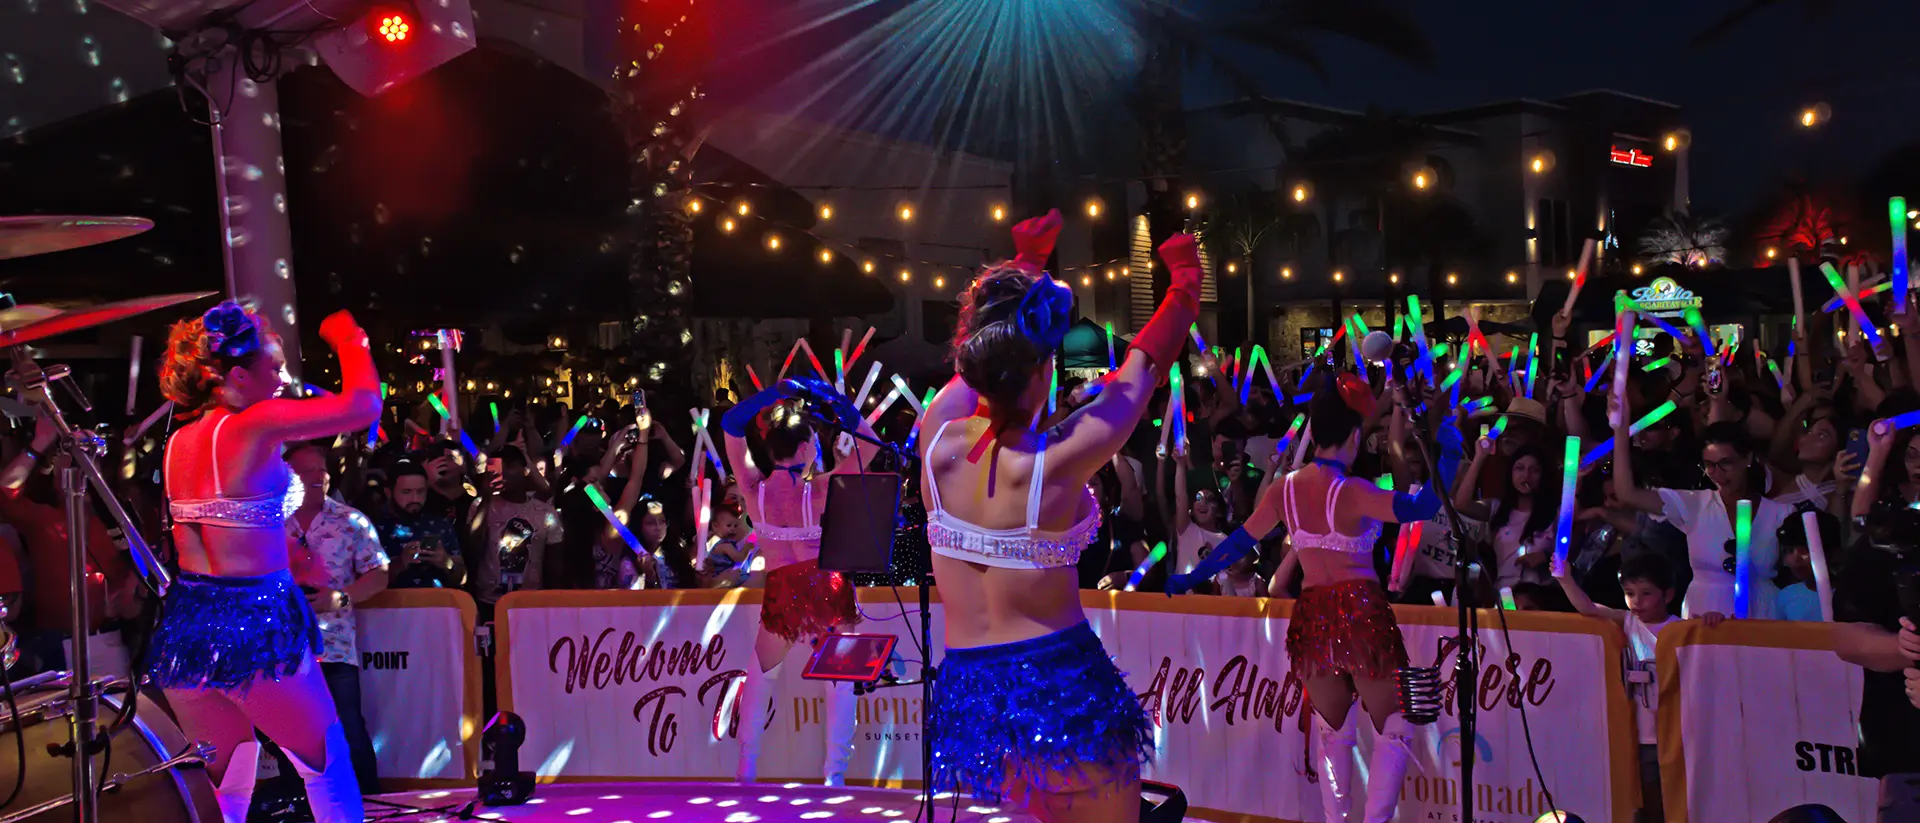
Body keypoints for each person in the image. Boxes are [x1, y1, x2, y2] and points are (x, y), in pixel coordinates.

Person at [917, 210, 1191, 822]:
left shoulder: (934, 439)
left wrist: (1026, 268)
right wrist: (1185, 283)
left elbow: (976, 365)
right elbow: (1141, 372)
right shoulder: (1058, 460)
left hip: (977, 702)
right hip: (1059, 689)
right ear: (1043, 369)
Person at [1172, 379, 1462, 823]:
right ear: (1352, 437)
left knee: (1333, 735)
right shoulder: (1353, 490)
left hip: (1313, 619)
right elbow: (1421, 508)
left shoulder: (1283, 490)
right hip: (1361, 612)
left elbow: (1237, 543)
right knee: (1395, 727)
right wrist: (1451, 453)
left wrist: (1194, 575)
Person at [150, 302, 380, 823]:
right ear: (237, 374)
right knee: (327, 766)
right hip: (253, 623)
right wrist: (350, 340)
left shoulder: (178, 443)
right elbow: (365, 406)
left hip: (188, 627)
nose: (281, 379)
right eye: (272, 368)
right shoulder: (255, 425)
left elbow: (233, 523)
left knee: (226, 789)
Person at [721, 375, 882, 787]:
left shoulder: (753, 488)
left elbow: (730, 424)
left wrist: (776, 392)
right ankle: (835, 778)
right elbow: (869, 442)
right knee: (840, 685)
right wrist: (831, 398)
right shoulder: (824, 488)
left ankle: (746, 773)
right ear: (809, 448)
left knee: (760, 678)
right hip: (825, 586)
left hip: (783, 589)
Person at [1552, 552, 1722, 823]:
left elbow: (1716, 652)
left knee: (1677, 803)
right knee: (1646, 803)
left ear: (1667, 595)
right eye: (1630, 593)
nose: (1637, 602)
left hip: (1678, 735)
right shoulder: (1628, 622)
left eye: (1646, 593)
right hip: (1641, 736)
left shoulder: (1683, 627)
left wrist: (1714, 620)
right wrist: (1566, 580)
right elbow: (1588, 608)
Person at [284, 441, 390, 795]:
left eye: (322, 468)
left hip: (336, 648)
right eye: (307, 470)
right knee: (290, 736)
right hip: (282, 649)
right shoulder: (267, 523)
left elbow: (379, 573)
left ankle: (371, 805)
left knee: (347, 730)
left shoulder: (351, 520)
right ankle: (300, 809)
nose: (319, 476)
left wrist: (340, 598)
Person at [1613, 414, 1790, 620]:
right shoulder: (1694, 504)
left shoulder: (1780, 513)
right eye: (1710, 464)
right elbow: (1627, 494)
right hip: (1703, 612)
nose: (1718, 473)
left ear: (1748, 459)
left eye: (1726, 463)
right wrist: (1619, 430)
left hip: (1761, 614)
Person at [468, 446, 563, 616]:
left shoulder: (544, 512)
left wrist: (553, 603)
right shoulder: (481, 505)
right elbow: (472, 547)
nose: (504, 473)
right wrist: (486, 498)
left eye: (510, 466)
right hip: (488, 602)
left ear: (525, 470)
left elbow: (554, 563)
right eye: (498, 468)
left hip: (531, 603)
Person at [376, 461, 466, 590]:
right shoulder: (372, 528)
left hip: (437, 605)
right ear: (388, 493)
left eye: (420, 491)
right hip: (391, 607)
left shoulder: (440, 524)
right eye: (406, 492)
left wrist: (446, 562)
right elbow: (361, 583)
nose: (415, 499)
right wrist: (400, 563)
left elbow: (462, 578)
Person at [1773, 510, 1837, 622]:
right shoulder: (1787, 596)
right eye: (1790, 550)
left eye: (1806, 550)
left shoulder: (1848, 596)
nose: (1796, 559)